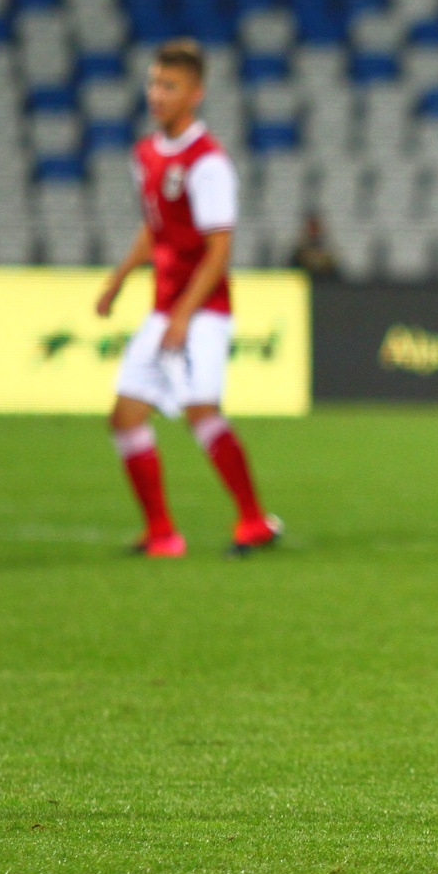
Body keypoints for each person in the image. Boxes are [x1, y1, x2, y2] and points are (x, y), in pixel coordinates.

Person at [96, 39, 283, 560]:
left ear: (195, 94)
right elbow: (156, 228)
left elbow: (218, 250)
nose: (157, 94)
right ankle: (161, 534)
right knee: (126, 415)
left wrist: (182, 317)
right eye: (154, 83)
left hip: (202, 312)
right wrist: (119, 278)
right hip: (166, 310)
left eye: (169, 86)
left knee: (201, 409)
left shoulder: (209, 163)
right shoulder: (146, 154)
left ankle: (253, 521)